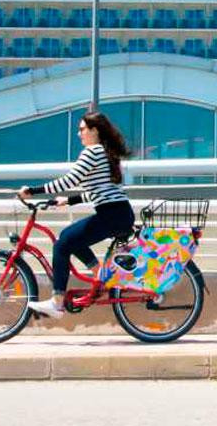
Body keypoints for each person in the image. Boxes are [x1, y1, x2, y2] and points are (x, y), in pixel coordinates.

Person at [17, 112, 134, 318]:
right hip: (118, 213)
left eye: (82, 129)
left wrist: (33, 191)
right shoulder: (103, 152)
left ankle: (57, 302)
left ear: (94, 130)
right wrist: (68, 201)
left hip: (112, 214)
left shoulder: (92, 152)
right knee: (71, 238)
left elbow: (69, 181)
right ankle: (101, 274)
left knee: (62, 243)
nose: (78, 133)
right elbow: (99, 190)